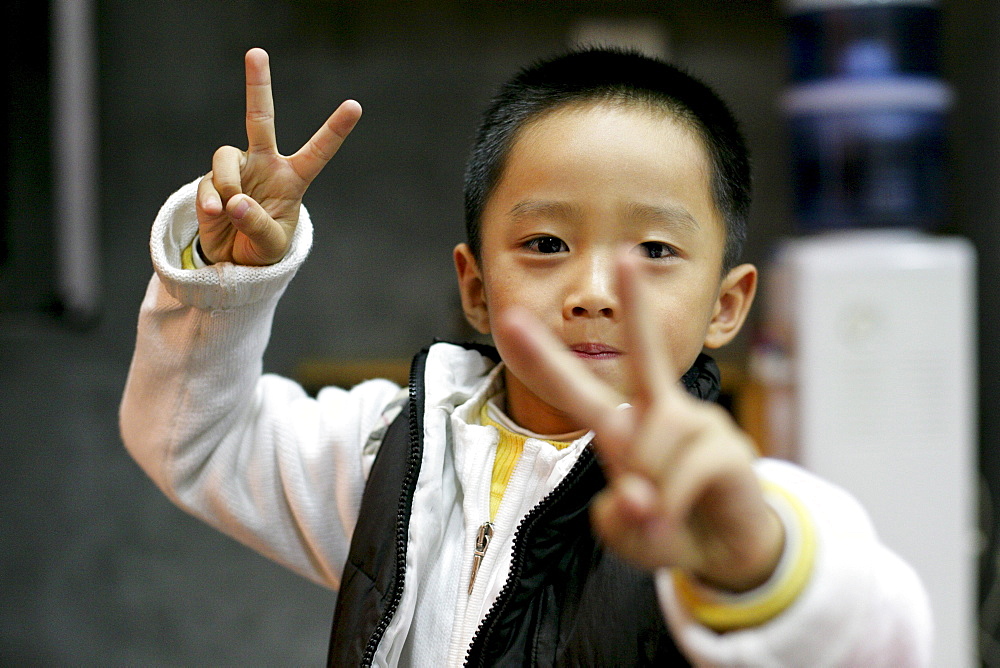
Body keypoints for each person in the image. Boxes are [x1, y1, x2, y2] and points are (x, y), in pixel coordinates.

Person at [120, 47, 932, 665]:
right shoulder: (393, 451)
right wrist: (226, 277)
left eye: (653, 250)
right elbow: (193, 436)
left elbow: (889, 636)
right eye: (546, 243)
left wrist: (763, 563)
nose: (593, 290)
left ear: (725, 305)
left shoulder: (707, 507)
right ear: (476, 289)